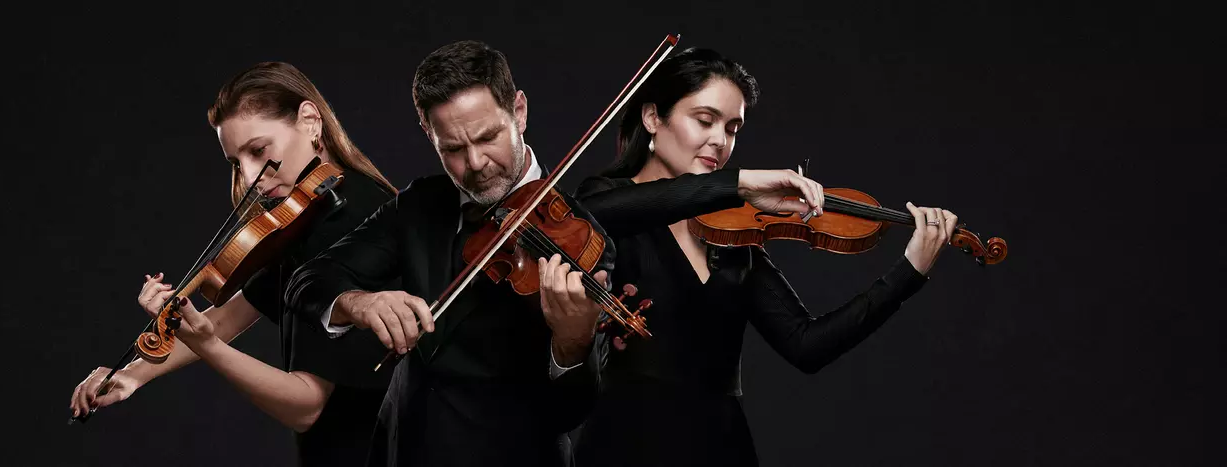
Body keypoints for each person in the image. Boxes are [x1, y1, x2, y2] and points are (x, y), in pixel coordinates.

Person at [569, 48, 959, 466]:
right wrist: (736, 183)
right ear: (652, 118)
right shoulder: (603, 200)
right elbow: (606, 213)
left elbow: (806, 346)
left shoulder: (733, 233)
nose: (719, 141)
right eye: (704, 120)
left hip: (722, 446)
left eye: (732, 128)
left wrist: (908, 273)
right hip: (627, 443)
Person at [284, 40, 611, 467]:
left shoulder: (585, 241)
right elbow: (307, 281)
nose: (476, 163)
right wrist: (359, 302)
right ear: (427, 132)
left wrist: (572, 344)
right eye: (452, 149)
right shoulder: (419, 205)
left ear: (519, 112)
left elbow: (570, 412)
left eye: (488, 137)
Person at [67, 61, 399, 467]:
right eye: (235, 161)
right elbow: (226, 319)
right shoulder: (308, 216)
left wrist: (205, 346)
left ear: (310, 121)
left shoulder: (347, 222)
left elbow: (306, 406)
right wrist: (132, 374)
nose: (252, 175)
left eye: (259, 150)